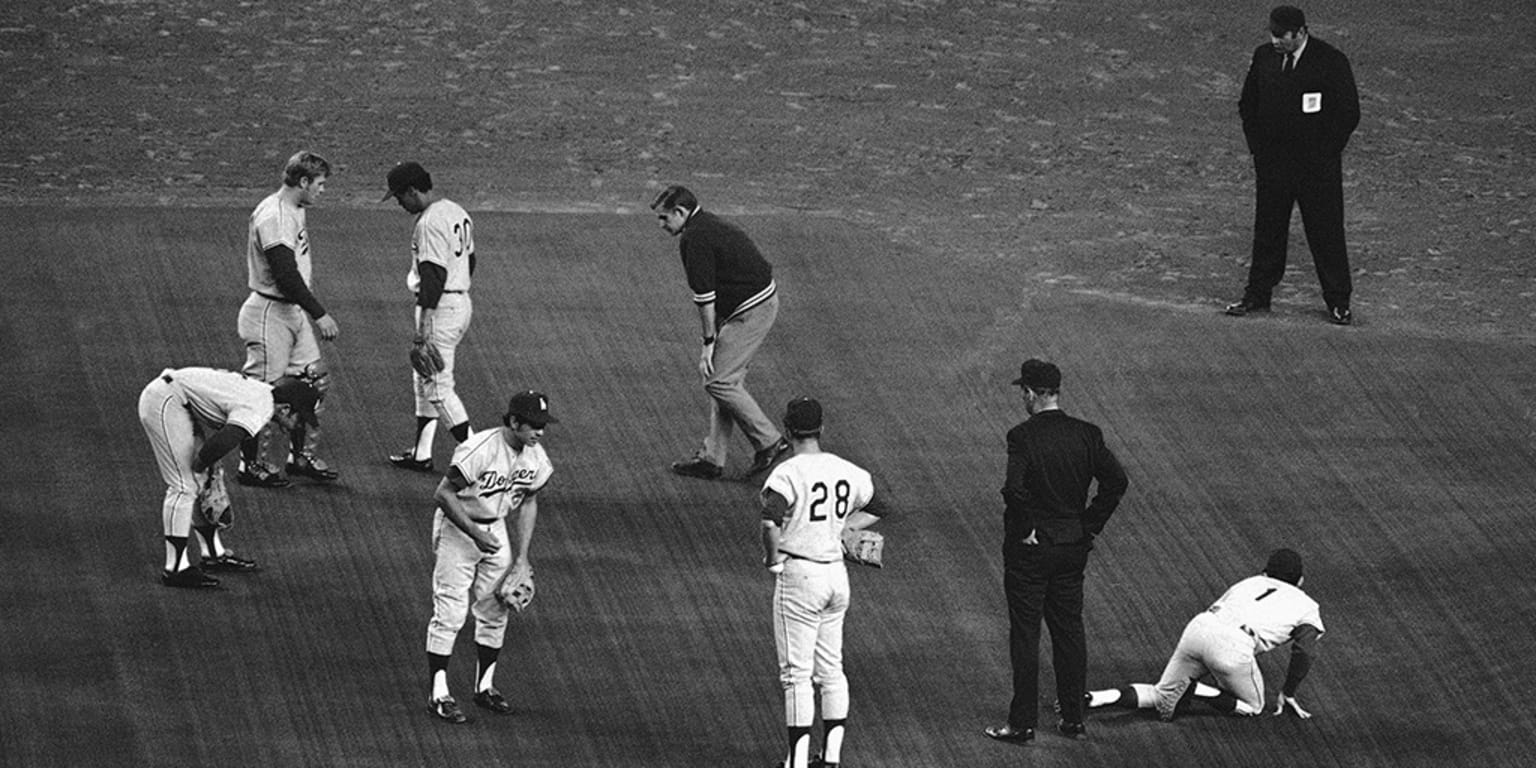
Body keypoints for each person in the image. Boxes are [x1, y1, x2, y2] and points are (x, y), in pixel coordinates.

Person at [985, 359, 1128, 745]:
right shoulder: (1086, 434)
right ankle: (1073, 720)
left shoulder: (1022, 436)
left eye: (1023, 392)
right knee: (1069, 633)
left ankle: (1022, 724)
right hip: (1072, 546)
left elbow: (1014, 489)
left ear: (1032, 393)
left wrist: (1028, 527)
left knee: (1026, 636)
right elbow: (1116, 480)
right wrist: (1089, 524)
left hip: (1031, 552)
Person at [759, 397, 884, 768]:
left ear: (786, 429)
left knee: (796, 675)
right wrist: (844, 527)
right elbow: (878, 507)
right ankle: (830, 758)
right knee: (831, 669)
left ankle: (796, 763)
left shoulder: (786, 474)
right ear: (821, 429)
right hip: (836, 578)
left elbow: (770, 521)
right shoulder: (848, 470)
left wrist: (772, 559)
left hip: (800, 577)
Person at [425, 390, 556, 724]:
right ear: (514, 421)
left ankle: (485, 687)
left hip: (493, 530)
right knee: (451, 613)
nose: (539, 432)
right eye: (534, 426)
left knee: (496, 608)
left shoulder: (535, 458)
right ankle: (439, 693)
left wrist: (523, 557)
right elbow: (443, 493)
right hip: (459, 528)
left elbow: (529, 501)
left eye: (543, 426)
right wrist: (474, 532)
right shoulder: (480, 449)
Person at [1225, 5, 1361, 326]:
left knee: (1326, 233)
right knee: (1268, 231)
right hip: (1274, 166)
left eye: (1282, 36)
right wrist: (1259, 150)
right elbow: (1248, 105)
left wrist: (1325, 155)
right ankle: (1258, 294)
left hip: (1317, 170)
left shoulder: (1330, 61)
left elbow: (1347, 113)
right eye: (1272, 35)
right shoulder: (1264, 57)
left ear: (1300, 32)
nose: (1276, 41)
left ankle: (1338, 302)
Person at [1084, 549, 1324, 721]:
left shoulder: (1249, 582)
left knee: (1161, 695)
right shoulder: (1306, 605)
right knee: (1253, 707)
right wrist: (1288, 691)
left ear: (1265, 573)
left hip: (1200, 627)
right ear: (1300, 580)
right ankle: (1198, 690)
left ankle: (1093, 698)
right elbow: (1304, 650)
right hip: (1234, 646)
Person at [650, 185, 788, 480]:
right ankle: (713, 458)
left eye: (664, 218)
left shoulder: (695, 238)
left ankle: (770, 442)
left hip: (753, 311)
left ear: (680, 212)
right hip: (750, 304)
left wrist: (709, 342)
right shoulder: (705, 224)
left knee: (719, 380)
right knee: (723, 379)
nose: (661, 225)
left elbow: (704, 296)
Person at [137, 366, 320, 588]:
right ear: (286, 409)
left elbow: (235, 434)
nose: (299, 426)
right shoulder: (259, 408)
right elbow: (226, 439)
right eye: (300, 418)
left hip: (178, 401)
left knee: (201, 481)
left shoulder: (265, 395)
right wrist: (202, 465)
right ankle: (175, 569)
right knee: (184, 486)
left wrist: (208, 471)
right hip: (165, 402)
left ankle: (213, 554)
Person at [236, 150, 342, 487]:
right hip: (269, 314)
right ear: (303, 181)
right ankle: (251, 465)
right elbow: (285, 274)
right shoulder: (275, 216)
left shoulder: (293, 208)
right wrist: (319, 313)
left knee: (313, 382)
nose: (322, 191)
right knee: (260, 393)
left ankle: (301, 457)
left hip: (289, 311)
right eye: (320, 184)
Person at [380, 161, 477, 473]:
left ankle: (479, 457)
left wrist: (423, 329)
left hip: (439, 308)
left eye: (399, 196)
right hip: (459, 302)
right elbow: (470, 260)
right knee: (423, 380)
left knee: (437, 386)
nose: (399, 202)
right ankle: (421, 453)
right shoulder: (455, 210)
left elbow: (432, 276)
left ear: (412, 190)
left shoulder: (429, 223)